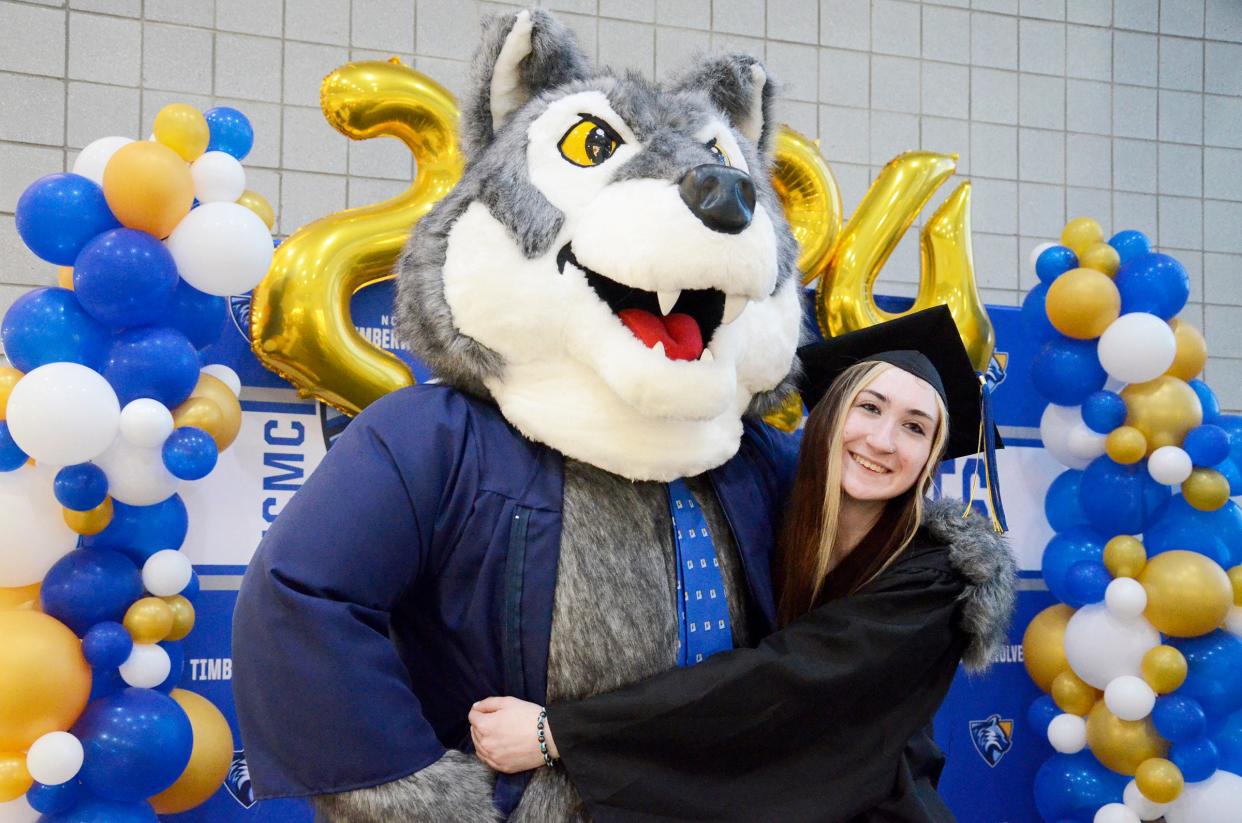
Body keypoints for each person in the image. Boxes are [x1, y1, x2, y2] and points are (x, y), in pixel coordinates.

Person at [467, 306, 1016, 821]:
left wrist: (557, 732)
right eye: (869, 407)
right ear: (830, 414)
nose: (882, 439)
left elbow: (779, 680)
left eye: (916, 427)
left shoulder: (936, 580)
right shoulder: (773, 524)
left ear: (929, 457)